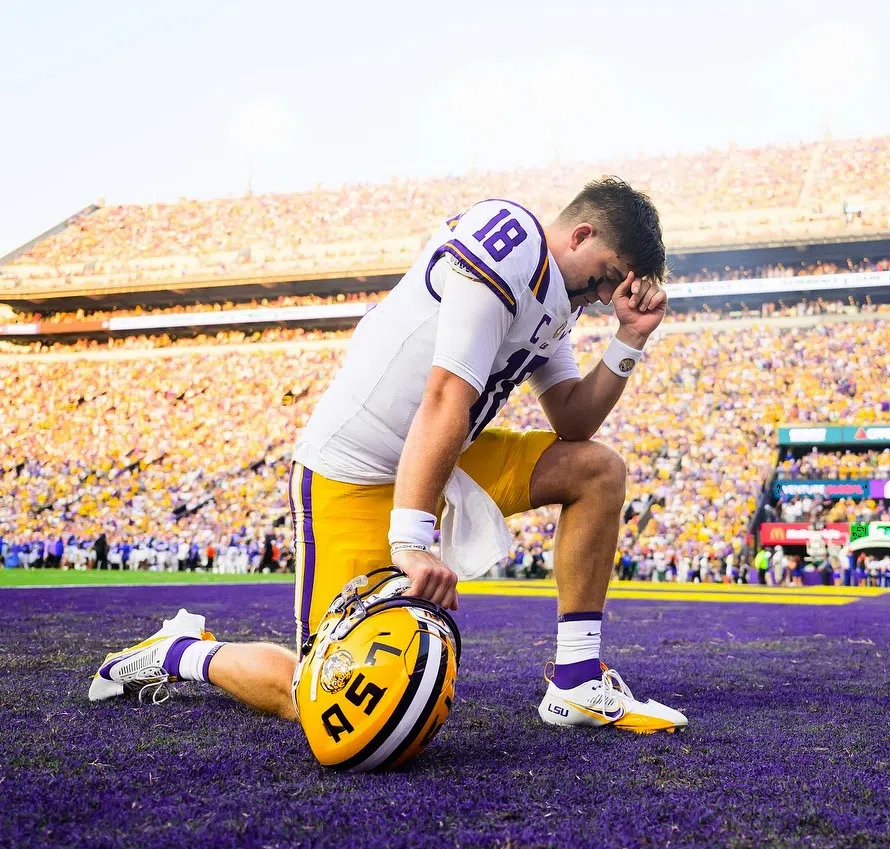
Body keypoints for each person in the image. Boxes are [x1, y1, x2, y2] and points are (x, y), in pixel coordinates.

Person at [90, 179, 687, 743]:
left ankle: (577, 681)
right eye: (609, 276)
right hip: (354, 470)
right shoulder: (510, 240)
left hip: (443, 456)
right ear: (581, 235)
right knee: (320, 697)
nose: (605, 296)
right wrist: (411, 540)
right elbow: (446, 391)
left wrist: (628, 340)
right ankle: (181, 651)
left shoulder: (557, 300)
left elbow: (574, 421)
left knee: (596, 470)